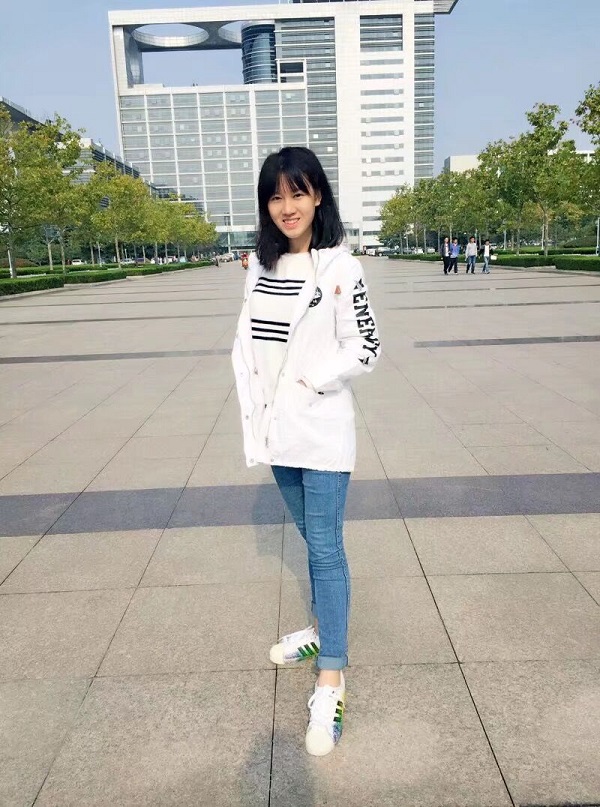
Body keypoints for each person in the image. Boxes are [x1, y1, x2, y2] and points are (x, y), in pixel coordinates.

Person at [232, 146, 380, 757]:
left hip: (320, 430)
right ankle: (321, 631)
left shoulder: (341, 267)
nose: (287, 207)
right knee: (309, 537)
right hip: (277, 432)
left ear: (318, 195)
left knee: (324, 547)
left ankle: (331, 678)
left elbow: (367, 346)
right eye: (275, 196)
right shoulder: (259, 267)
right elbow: (252, 348)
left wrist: (311, 380)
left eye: (297, 193)